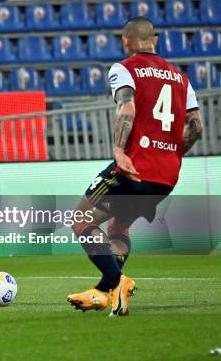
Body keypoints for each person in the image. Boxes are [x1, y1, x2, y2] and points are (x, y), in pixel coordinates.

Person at [67, 17, 202, 316]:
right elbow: (196, 126)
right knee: (120, 225)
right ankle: (112, 292)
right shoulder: (181, 77)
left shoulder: (124, 68)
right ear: (154, 40)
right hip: (166, 176)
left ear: (126, 40)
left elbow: (126, 105)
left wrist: (118, 149)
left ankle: (113, 283)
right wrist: (170, 154)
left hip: (133, 167)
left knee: (81, 218)